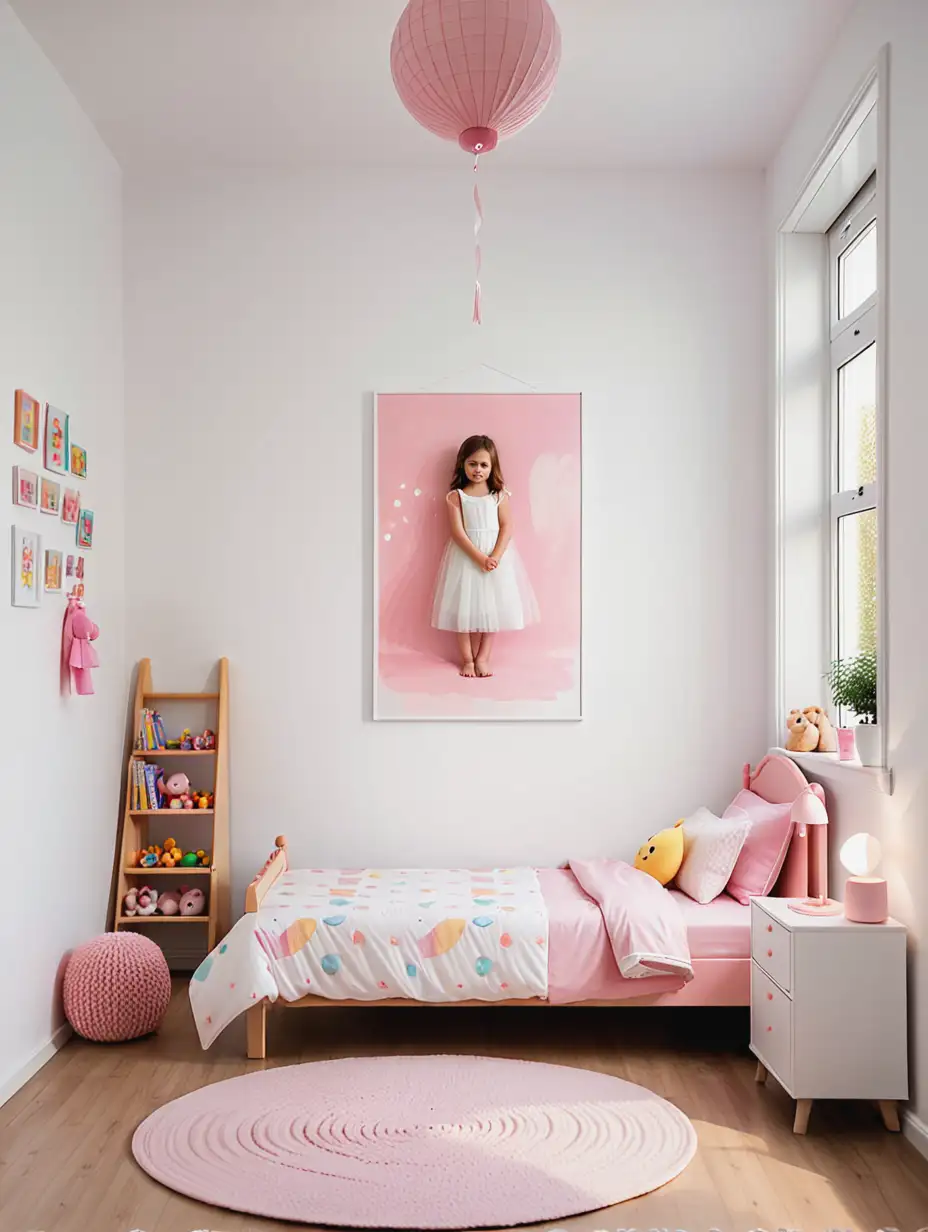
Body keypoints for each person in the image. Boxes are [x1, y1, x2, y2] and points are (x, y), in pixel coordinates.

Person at [431, 434, 539, 677]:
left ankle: (483, 658)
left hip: (495, 558)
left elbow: (507, 526)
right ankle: (467, 660)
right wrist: (480, 558)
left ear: (492, 467)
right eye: (472, 464)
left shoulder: (499, 495)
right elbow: (458, 533)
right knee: (463, 610)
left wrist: (496, 557)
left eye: (483, 465)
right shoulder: (456, 496)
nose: (478, 470)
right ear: (462, 464)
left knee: (492, 609)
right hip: (466, 558)